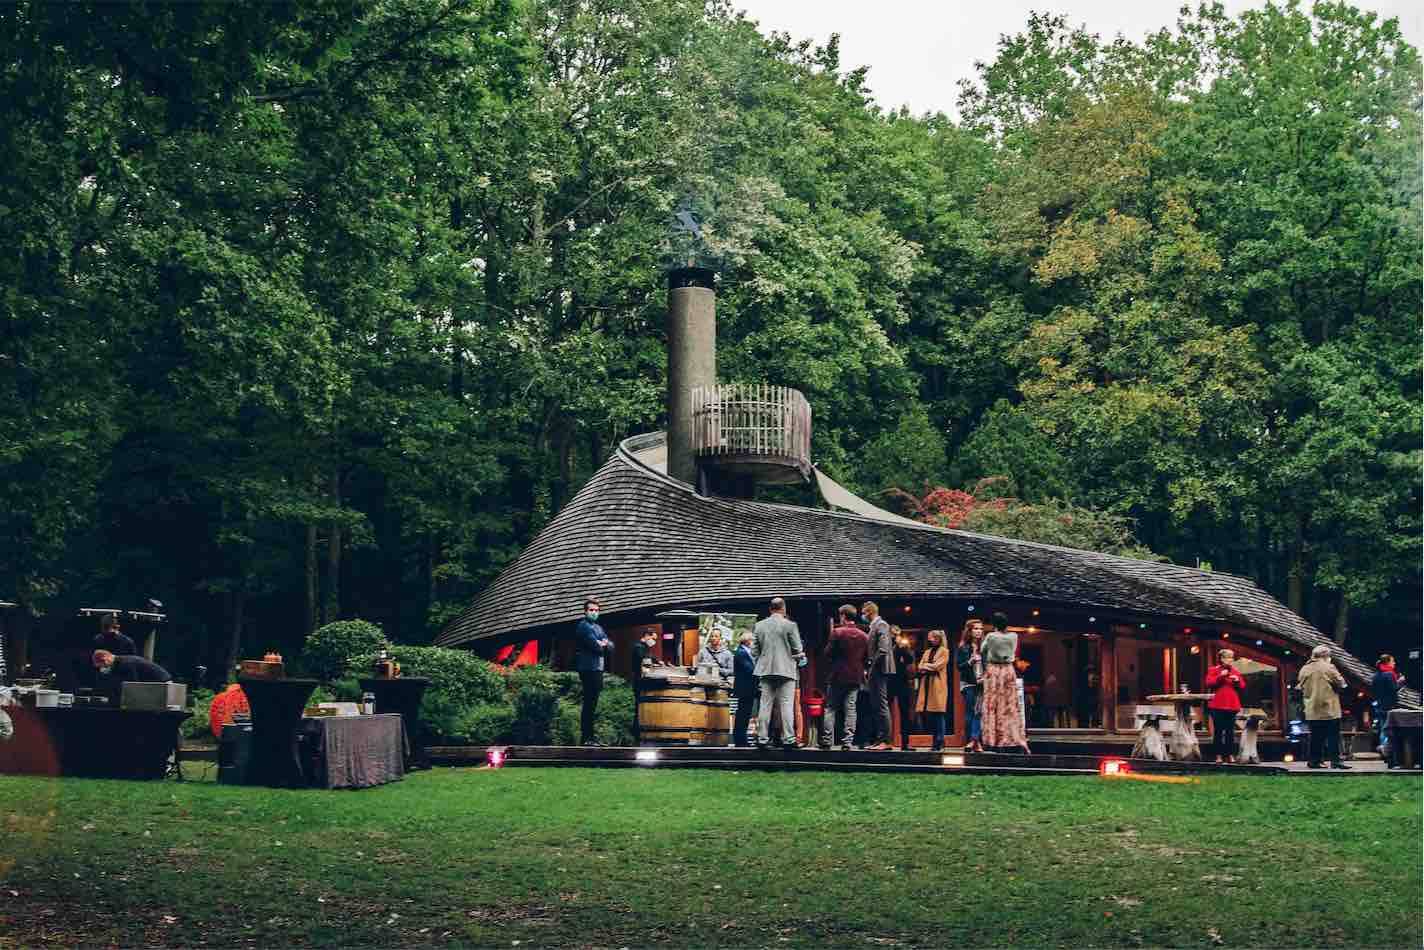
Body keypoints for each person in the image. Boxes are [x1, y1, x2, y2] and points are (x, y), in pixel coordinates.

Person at [753, 597, 805, 750]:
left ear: (770, 609)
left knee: (765, 705)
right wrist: (797, 655)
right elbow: (798, 649)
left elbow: (754, 651)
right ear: (784, 609)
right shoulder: (790, 625)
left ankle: (762, 738)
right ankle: (788, 739)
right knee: (786, 705)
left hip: (766, 670)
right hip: (786, 670)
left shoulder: (759, 626)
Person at [979, 612, 1030, 754]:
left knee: (993, 704)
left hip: (994, 670)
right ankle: (1012, 737)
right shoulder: (1014, 636)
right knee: (1009, 705)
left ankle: (993, 739)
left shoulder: (990, 637)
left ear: (994, 624)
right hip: (1008, 670)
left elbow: (983, 650)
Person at [820, 604, 869, 750]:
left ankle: (827, 740)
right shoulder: (864, 636)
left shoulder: (837, 633)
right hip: (855, 677)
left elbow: (827, 653)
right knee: (851, 709)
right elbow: (866, 658)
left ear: (843, 616)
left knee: (830, 708)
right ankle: (847, 742)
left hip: (837, 676)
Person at [1298, 644, 1350, 769]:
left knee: (1316, 737)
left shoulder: (1304, 669)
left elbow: (1300, 687)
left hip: (1311, 708)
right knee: (1333, 736)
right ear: (1326, 656)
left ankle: (1314, 761)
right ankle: (1335, 761)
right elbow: (1342, 684)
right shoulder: (1328, 667)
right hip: (1328, 708)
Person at [573, 598, 613, 746]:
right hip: (588, 668)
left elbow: (611, 646)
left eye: (596, 610)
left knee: (593, 703)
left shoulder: (598, 627)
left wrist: (603, 643)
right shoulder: (583, 626)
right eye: (591, 610)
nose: (594, 612)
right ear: (585, 611)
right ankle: (586, 738)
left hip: (598, 668)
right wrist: (602, 644)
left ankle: (591, 737)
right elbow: (596, 647)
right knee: (589, 703)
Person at [863, 601, 896, 751]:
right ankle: (879, 739)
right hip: (876, 669)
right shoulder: (874, 627)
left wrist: (871, 666)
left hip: (880, 669)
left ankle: (886, 740)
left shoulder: (881, 625)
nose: (862, 615)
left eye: (864, 613)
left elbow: (882, 650)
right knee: (876, 705)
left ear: (870, 612)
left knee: (881, 705)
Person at [1205, 649, 1246, 764]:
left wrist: (1237, 680)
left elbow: (1242, 686)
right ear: (1222, 659)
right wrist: (1220, 676)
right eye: (1227, 657)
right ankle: (1218, 756)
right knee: (1218, 731)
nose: (1230, 660)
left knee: (1230, 732)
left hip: (1232, 705)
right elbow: (1208, 683)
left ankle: (1230, 755)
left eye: (1231, 658)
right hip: (1217, 705)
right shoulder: (1214, 670)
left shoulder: (1235, 671)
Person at [915, 629, 951, 751]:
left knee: (939, 714)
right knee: (930, 714)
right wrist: (925, 667)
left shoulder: (944, 651)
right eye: (930, 637)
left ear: (938, 638)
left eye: (933, 637)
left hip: (937, 685)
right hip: (927, 684)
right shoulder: (927, 651)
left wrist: (926, 666)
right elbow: (919, 666)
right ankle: (934, 741)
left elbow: (938, 666)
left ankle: (940, 741)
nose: (930, 640)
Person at [92, 650, 171, 704]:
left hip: (162, 684)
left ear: (105, 659)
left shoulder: (125, 664)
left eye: (103, 666)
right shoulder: (119, 663)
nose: (103, 668)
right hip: (154, 684)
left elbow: (132, 685)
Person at [956, 619, 985, 753]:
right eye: (976, 629)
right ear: (970, 631)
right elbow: (959, 667)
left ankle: (974, 741)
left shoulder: (984, 647)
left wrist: (984, 677)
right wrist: (970, 661)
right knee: (970, 712)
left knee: (978, 713)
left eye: (980, 629)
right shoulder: (963, 647)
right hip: (968, 684)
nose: (979, 631)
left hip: (982, 684)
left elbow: (988, 665)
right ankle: (971, 740)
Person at [1371, 653, 1405, 767]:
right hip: (1389, 706)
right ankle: (1388, 752)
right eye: (1393, 661)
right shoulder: (1389, 674)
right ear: (1388, 662)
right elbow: (1393, 689)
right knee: (1390, 731)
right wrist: (1400, 681)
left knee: (1383, 729)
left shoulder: (1375, 675)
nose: (1394, 663)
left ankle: (1384, 752)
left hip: (1379, 706)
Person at [890, 625, 917, 750]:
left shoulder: (902, 646)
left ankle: (905, 743)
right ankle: (884, 741)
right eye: (893, 633)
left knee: (905, 712)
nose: (895, 636)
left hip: (903, 681)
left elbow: (910, 659)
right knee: (885, 711)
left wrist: (904, 648)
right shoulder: (885, 645)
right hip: (888, 681)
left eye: (897, 633)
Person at [631, 630, 658, 743]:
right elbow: (644, 659)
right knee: (639, 707)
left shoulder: (645, 647)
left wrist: (657, 661)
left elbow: (650, 658)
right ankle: (637, 733)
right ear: (647, 636)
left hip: (642, 679)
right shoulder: (638, 646)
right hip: (639, 680)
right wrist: (654, 661)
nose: (654, 642)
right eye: (653, 639)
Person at [732, 632, 759, 747]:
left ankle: (741, 738)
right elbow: (750, 669)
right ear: (747, 641)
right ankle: (740, 739)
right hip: (745, 689)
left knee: (744, 714)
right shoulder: (741, 653)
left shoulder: (744, 652)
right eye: (752, 640)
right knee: (743, 714)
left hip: (747, 688)